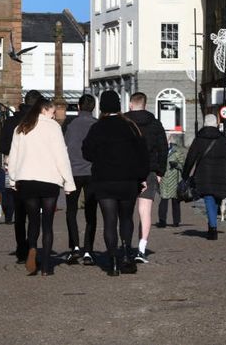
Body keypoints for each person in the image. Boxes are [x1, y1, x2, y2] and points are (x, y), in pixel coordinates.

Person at [82, 90, 149, 276]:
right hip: (127, 180)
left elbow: (86, 152)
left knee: (109, 221)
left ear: (102, 107)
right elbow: (143, 154)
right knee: (126, 218)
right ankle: (126, 255)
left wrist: (101, 157)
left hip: (104, 180)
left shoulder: (97, 128)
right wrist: (142, 177)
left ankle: (112, 261)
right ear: (118, 106)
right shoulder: (130, 126)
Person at [8, 98, 76, 276]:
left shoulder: (22, 127)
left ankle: (32, 247)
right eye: (52, 112)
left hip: (27, 180)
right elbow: (61, 157)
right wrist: (68, 182)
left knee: (33, 221)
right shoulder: (53, 128)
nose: (54, 116)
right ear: (44, 110)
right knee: (47, 224)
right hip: (49, 180)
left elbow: (13, 156)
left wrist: (13, 179)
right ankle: (46, 266)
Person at [0, 90, 42, 262]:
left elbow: (2, 146)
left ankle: (21, 249)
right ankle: (32, 246)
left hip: (16, 171)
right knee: (34, 213)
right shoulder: (40, 122)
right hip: (36, 171)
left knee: (20, 214)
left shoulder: (11, 121)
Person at [125, 92, 167, 263]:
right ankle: (141, 249)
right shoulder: (155, 124)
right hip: (149, 170)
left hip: (127, 170)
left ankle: (126, 246)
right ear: (145, 104)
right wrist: (160, 172)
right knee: (145, 210)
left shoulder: (124, 122)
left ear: (130, 104)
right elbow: (163, 149)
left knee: (126, 211)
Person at [184, 114, 226, 240]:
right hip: (221, 175)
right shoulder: (223, 140)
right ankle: (212, 225)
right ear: (216, 124)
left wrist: (185, 174)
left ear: (204, 124)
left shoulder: (199, 139)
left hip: (204, 175)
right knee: (216, 199)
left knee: (209, 199)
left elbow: (190, 158)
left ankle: (212, 228)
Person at [63, 93, 99, 265]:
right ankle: (88, 250)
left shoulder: (70, 124)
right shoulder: (96, 124)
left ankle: (75, 246)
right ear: (93, 108)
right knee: (91, 212)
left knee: (71, 210)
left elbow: (64, 147)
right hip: (92, 172)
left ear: (78, 106)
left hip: (73, 171)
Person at [158, 134, 187, 228]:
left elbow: (183, 165)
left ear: (170, 140)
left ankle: (176, 221)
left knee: (175, 201)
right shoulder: (160, 150)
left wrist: (176, 165)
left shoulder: (177, 151)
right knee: (163, 200)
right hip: (164, 178)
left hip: (175, 179)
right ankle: (162, 221)